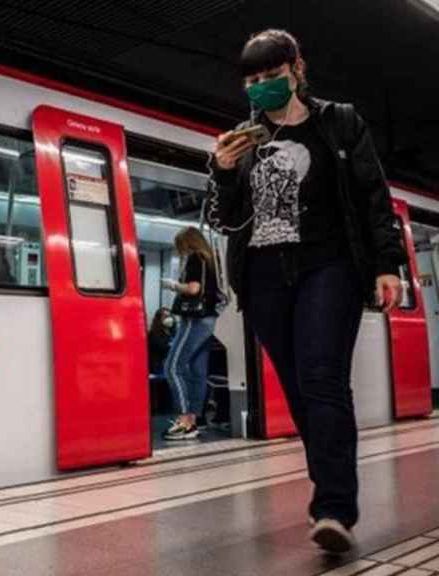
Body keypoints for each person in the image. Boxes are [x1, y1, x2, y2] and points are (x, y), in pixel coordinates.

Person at [206, 29, 406, 553]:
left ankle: (334, 507)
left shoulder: (339, 122)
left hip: (329, 265)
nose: (261, 87)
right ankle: (331, 488)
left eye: (271, 76)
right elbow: (230, 220)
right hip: (264, 276)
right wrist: (224, 172)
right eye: (252, 80)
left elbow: (372, 196)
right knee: (298, 391)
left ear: (296, 69)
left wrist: (388, 264)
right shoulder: (243, 141)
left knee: (322, 378)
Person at [160, 227, 221, 441]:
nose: (181, 252)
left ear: (188, 243)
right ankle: (196, 420)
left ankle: (185, 420)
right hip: (209, 320)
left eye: (181, 247)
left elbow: (194, 289)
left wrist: (174, 285)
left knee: (172, 366)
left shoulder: (196, 258)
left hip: (194, 319)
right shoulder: (212, 261)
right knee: (197, 372)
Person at [147, 307, 175, 376]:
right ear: (159, 319)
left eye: (170, 316)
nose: (169, 319)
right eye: (165, 316)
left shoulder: (172, 332)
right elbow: (163, 348)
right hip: (158, 368)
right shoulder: (153, 334)